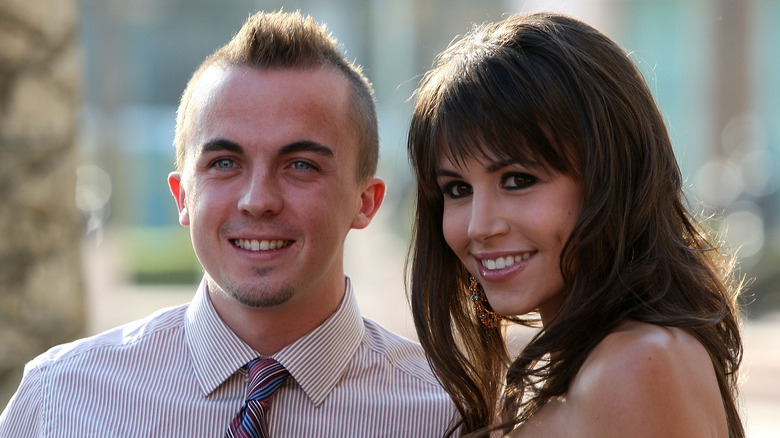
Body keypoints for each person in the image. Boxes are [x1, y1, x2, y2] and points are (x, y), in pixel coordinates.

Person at [0, 10, 459, 437]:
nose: (258, 200)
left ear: (366, 202)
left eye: (300, 165)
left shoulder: (448, 417)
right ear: (182, 196)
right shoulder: (61, 401)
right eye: (224, 163)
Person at [407, 12, 744, 438]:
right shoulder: (601, 364)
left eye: (517, 180)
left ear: (611, 176)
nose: (478, 226)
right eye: (457, 189)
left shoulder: (635, 365)